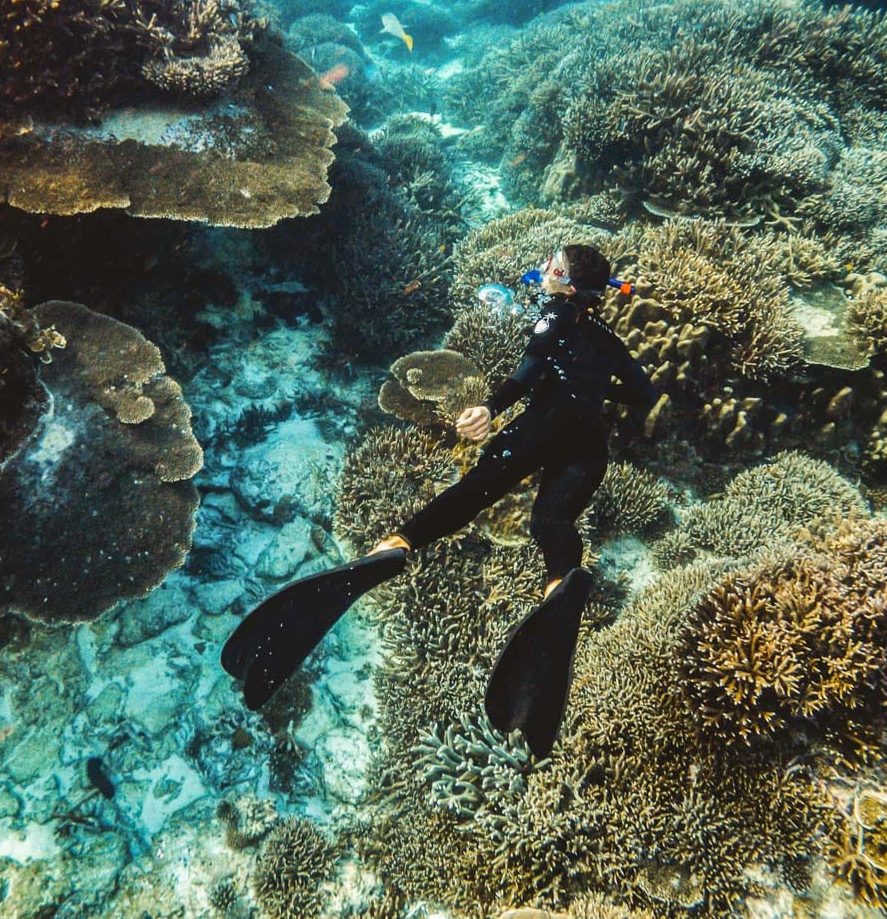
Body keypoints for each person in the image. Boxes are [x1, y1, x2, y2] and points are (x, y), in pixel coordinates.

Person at [223, 245, 660, 758]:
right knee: (552, 519)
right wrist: (589, 389)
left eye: (553, 267)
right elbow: (643, 393)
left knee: (470, 494)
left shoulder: (554, 317)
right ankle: (562, 587)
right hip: (588, 447)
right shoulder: (607, 339)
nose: (544, 270)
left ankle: (396, 545)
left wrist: (489, 408)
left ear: (569, 285)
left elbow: (525, 375)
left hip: (542, 429)